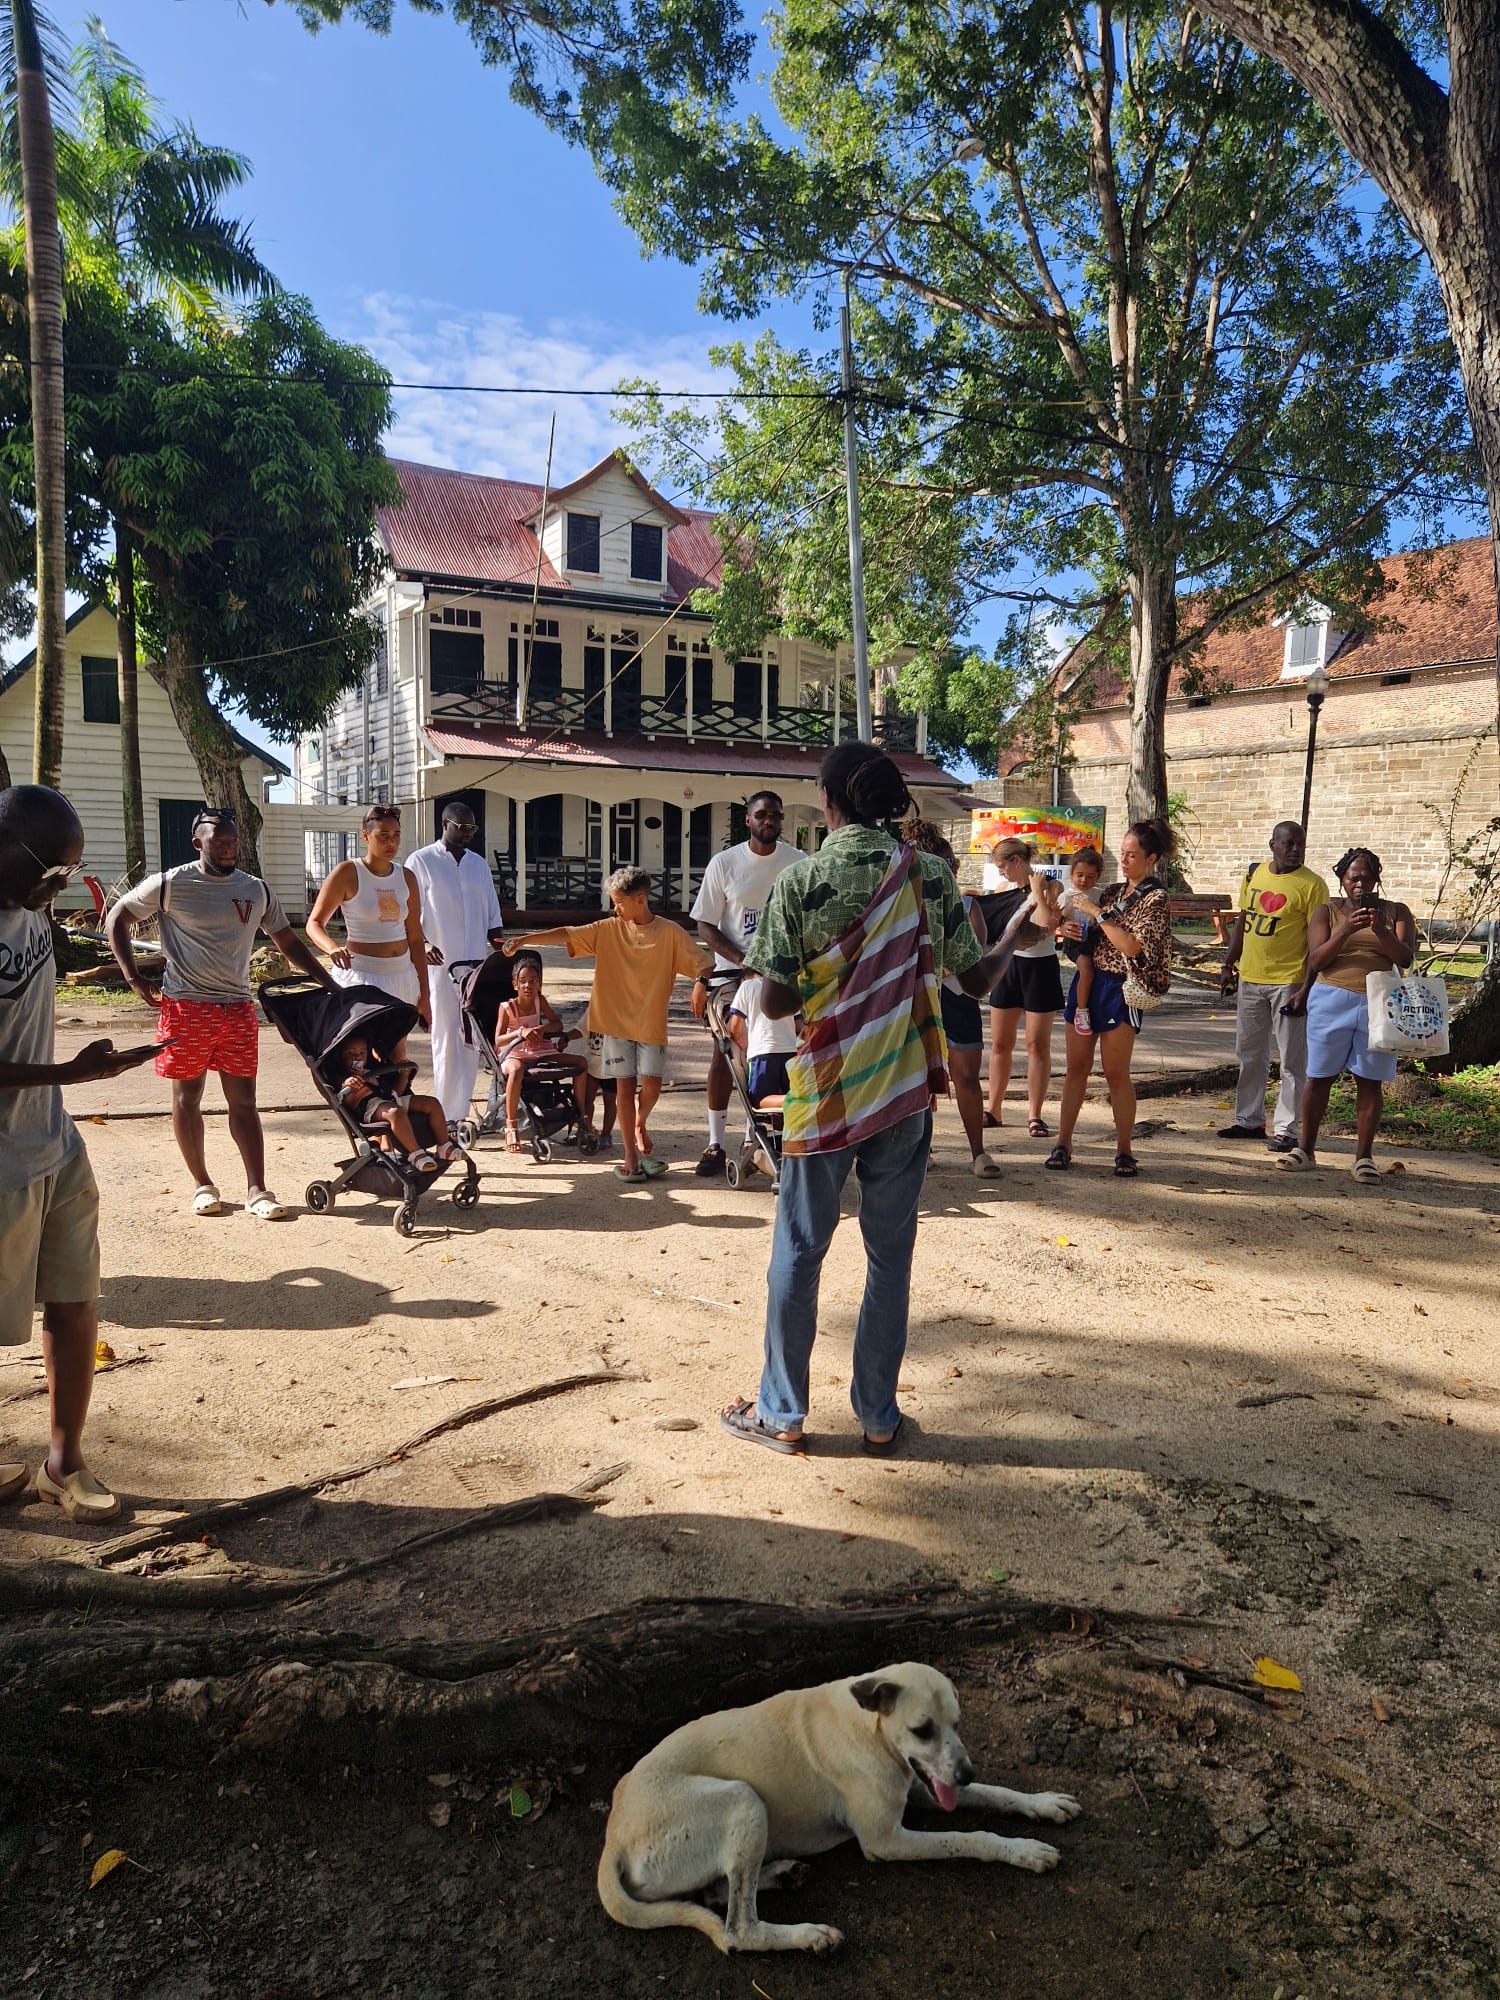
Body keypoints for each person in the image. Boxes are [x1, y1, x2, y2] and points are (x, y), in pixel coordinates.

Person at [720, 742, 1040, 1458]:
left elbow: (772, 995)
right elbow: (976, 980)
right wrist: (1016, 928)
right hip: (902, 1088)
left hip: (826, 1091)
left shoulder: (804, 881)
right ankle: (878, 1417)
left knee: (799, 1253)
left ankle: (783, 1413)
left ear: (830, 799)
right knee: (889, 1257)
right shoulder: (926, 874)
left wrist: (820, 977)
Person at [1, 786, 163, 1523]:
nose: (56, 888)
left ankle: (61, 1465)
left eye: (68, 873)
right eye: (49, 870)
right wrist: (71, 1073)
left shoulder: (27, 904)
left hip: (54, 1137)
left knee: (74, 1302)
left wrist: (68, 1083)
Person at [108, 806, 336, 1220]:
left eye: (233, 840)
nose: (230, 847)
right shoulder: (170, 884)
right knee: (187, 1098)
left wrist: (328, 981)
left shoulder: (255, 890)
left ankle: (257, 1190)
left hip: (237, 1010)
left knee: (244, 1103)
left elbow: (288, 941)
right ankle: (202, 1184)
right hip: (186, 1008)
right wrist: (134, 977)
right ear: (199, 843)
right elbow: (117, 917)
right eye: (220, 841)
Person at [505, 866, 710, 1184]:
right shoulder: (608, 929)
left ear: (640, 899)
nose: (614, 908)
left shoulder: (670, 933)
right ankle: (630, 1153)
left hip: (650, 1023)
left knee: (652, 1087)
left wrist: (700, 983)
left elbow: (702, 962)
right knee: (624, 1088)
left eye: (619, 902)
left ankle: (640, 1123)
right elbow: (567, 933)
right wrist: (525, 940)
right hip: (614, 1023)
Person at [1047, 819, 1174, 1176]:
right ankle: (1063, 1142)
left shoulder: (1156, 898)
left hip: (1121, 989)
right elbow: (1083, 930)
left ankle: (1124, 1150)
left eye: (1132, 855)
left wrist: (1097, 914)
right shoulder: (1112, 891)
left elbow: (1131, 946)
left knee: (1116, 1073)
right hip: (1090, 984)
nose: (1124, 860)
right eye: (1122, 853)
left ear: (1151, 858)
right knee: (1076, 1070)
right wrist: (1065, 929)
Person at [1279, 847, 1415, 1181]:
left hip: (1378, 1002)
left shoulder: (1396, 912)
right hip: (1331, 999)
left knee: (1369, 1081)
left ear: (1377, 880)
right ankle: (1305, 1150)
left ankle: (1364, 1158)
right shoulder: (1326, 912)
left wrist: (1381, 930)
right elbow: (1316, 960)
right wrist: (1345, 930)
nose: (1360, 884)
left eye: (1367, 878)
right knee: (1319, 1077)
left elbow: (1405, 959)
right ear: (1342, 879)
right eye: (1354, 878)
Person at [690, 790, 801, 1177]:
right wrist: (744, 962)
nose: (768, 820)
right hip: (734, 978)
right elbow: (704, 923)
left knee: (794, 1046)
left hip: (787, 976)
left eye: (775, 815)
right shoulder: (725, 863)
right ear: (748, 820)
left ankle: (778, 1133)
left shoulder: (798, 863)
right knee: (728, 1053)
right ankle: (716, 1142)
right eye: (761, 815)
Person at [1218, 820, 1328, 1153]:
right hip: (1251, 978)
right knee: (1250, 1054)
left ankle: (1287, 1129)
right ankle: (1249, 1121)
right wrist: (1228, 963)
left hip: (1289, 981)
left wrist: (1306, 989)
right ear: (1273, 844)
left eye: (1301, 845)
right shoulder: (1254, 876)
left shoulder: (1312, 886)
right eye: (1289, 844)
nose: (1296, 850)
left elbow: (1316, 943)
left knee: (1293, 1060)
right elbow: (1243, 921)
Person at [906, 819, 997, 1178]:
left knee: (966, 1077)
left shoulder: (967, 904)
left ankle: (978, 1152)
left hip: (958, 998)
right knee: (919, 1078)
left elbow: (975, 953)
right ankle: (920, 1151)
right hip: (923, 997)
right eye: (944, 862)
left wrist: (944, 965)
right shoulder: (909, 903)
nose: (952, 869)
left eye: (953, 862)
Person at [407, 802, 505, 1130]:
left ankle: (468, 1111)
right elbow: (409, 914)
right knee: (446, 1035)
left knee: (473, 1037)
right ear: (445, 824)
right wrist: (421, 944)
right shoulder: (421, 861)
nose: (468, 834)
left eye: (472, 829)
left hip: (475, 967)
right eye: (462, 828)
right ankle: (447, 1117)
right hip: (439, 967)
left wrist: (504, 951)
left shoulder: (478, 865)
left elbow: (492, 916)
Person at [306, 805, 431, 1051]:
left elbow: (415, 938)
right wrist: (332, 948)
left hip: (402, 976)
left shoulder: (406, 877)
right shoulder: (348, 872)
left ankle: (398, 1091)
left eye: (396, 835)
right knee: (360, 1053)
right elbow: (314, 923)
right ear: (365, 836)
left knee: (396, 1056)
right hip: (362, 976)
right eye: (383, 836)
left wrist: (425, 995)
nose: (391, 843)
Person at [981, 837, 1062, 1137]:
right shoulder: (1002, 890)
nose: (1000, 872)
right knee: (1000, 1044)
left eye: (1002, 866)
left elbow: (1044, 925)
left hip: (1040, 968)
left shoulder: (1052, 886)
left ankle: (1035, 1115)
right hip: (1007, 966)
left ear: (1017, 861)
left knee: (1036, 1045)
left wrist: (1038, 893)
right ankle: (993, 1109)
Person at [493, 949, 586, 1154]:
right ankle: (511, 1127)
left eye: (533, 981)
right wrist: (521, 1032)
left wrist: (541, 1029)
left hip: (537, 1051)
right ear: (515, 984)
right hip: (512, 1053)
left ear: (539, 983)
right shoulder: (507, 1007)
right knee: (516, 1070)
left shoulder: (539, 1001)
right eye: (523, 981)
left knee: (581, 1063)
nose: (528, 985)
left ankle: (582, 1119)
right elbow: (498, 1039)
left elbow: (557, 1024)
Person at [334, 1034, 461, 1169]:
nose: (357, 1057)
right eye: (351, 1053)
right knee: (395, 1112)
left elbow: (395, 1093)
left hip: (390, 1100)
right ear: (341, 1057)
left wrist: (404, 1076)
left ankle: (444, 1146)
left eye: (362, 1053)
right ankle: (416, 1153)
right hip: (371, 1109)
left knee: (432, 1103)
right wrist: (348, 1084)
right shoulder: (343, 1076)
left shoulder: (373, 1071)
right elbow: (344, 1098)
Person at [723, 969, 798, 1180]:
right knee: (784, 1112)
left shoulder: (748, 987)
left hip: (764, 1054)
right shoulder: (789, 983)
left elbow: (735, 1026)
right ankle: (794, 1103)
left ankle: (794, 1098)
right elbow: (799, 1024)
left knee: (759, 1100)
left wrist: (743, 1044)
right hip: (790, 1052)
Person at [1058, 847, 1103, 1034]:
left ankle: (1095, 1003)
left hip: (1093, 936)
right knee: (1087, 969)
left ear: (1098, 877)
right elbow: (1055, 920)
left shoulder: (1099, 895)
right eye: (1080, 875)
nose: (1084, 880)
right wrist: (1062, 926)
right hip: (1075, 939)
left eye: (1090, 876)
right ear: (1071, 874)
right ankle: (1081, 1010)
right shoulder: (1067, 896)